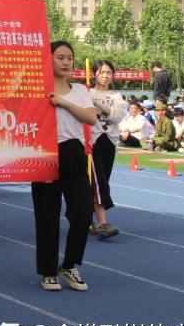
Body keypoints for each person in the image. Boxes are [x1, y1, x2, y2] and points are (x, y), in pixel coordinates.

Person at [33, 41, 96, 292]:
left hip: (73, 153)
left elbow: (90, 117)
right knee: (47, 217)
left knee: (82, 215)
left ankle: (69, 265)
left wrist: (64, 102)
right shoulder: (37, 90)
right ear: (48, 60)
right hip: (45, 153)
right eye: (60, 57)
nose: (66, 62)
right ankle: (48, 271)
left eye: (69, 58)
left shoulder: (79, 91)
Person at [89, 60, 128, 241]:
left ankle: (85, 218)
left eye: (109, 72)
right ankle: (103, 224)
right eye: (102, 72)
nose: (105, 76)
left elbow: (116, 116)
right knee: (99, 183)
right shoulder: (85, 93)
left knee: (100, 180)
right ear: (94, 73)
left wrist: (96, 102)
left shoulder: (117, 97)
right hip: (91, 143)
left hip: (109, 143)